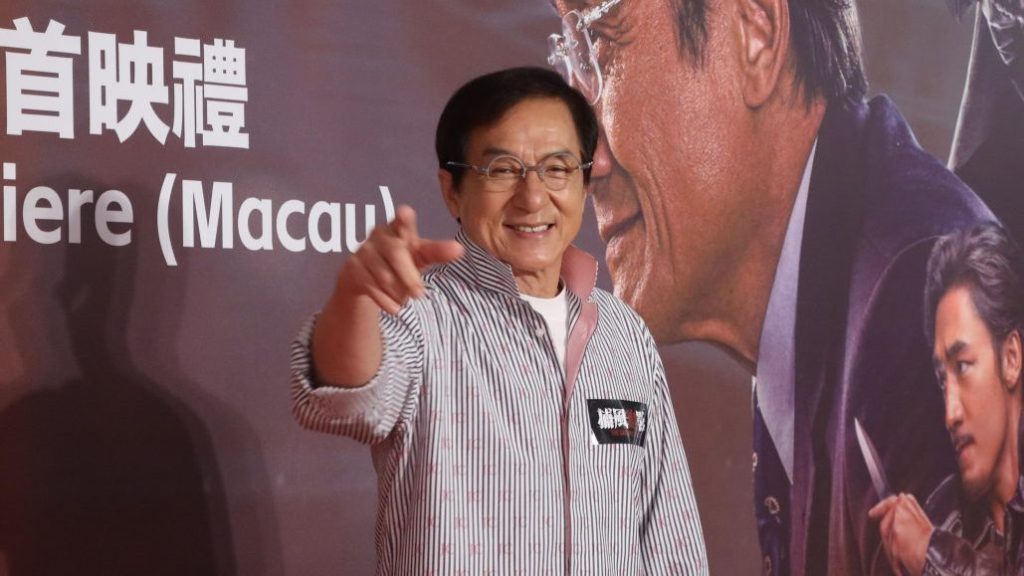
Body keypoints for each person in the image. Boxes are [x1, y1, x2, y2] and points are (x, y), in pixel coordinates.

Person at [546, 0, 994, 573]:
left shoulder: (919, 311)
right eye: (571, 56)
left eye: (601, 43)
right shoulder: (827, 308)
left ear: (754, 33)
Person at [289, 67, 708, 574]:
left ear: (583, 184)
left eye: (557, 168)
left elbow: (668, 535)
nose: (532, 197)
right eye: (503, 169)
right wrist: (355, 296)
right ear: (452, 191)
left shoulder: (622, 331)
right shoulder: (420, 313)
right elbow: (349, 398)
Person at [870, 223, 1024, 575]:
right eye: (942, 380)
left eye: (963, 366)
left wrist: (931, 554)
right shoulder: (945, 516)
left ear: (1011, 358)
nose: (950, 413)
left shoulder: (935, 541)